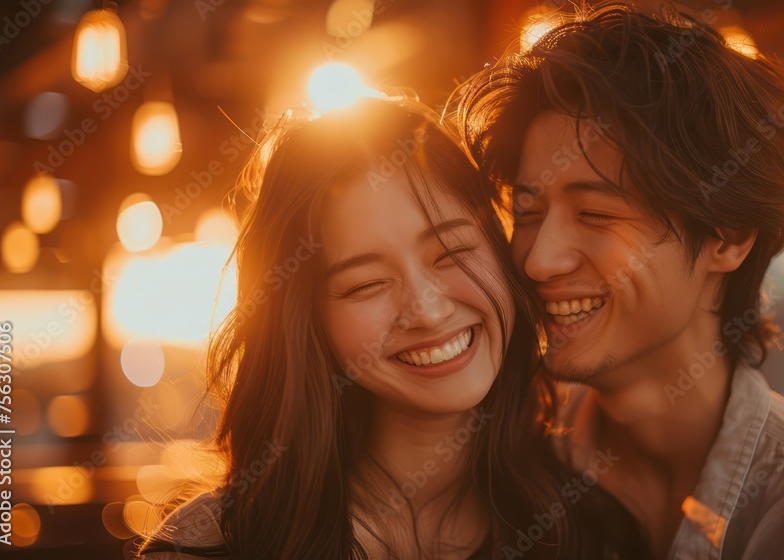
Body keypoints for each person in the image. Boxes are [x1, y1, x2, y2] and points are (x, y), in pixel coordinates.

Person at [451, 2, 784, 559]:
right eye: (528, 213)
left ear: (729, 237)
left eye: (595, 215)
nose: (539, 261)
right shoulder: (507, 473)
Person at [133, 97, 645, 559]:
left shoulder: (595, 535)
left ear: (501, 250)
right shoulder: (217, 545)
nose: (425, 309)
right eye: (366, 284)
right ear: (308, 322)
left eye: (451, 252)